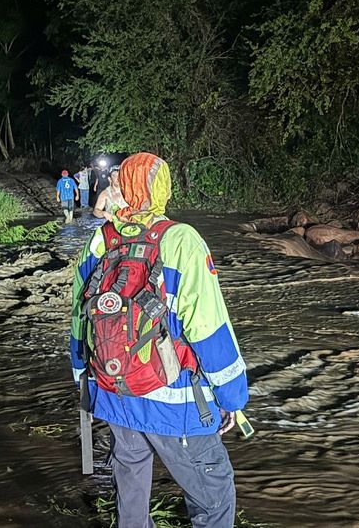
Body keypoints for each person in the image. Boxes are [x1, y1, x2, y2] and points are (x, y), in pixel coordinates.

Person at [70, 152, 248, 527]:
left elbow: (79, 318)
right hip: (175, 401)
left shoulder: (100, 241)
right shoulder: (181, 240)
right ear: (159, 190)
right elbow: (208, 327)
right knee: (214, 494)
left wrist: (81, 377)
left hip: (113, 391)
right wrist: (232, 396)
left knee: (131, 491)